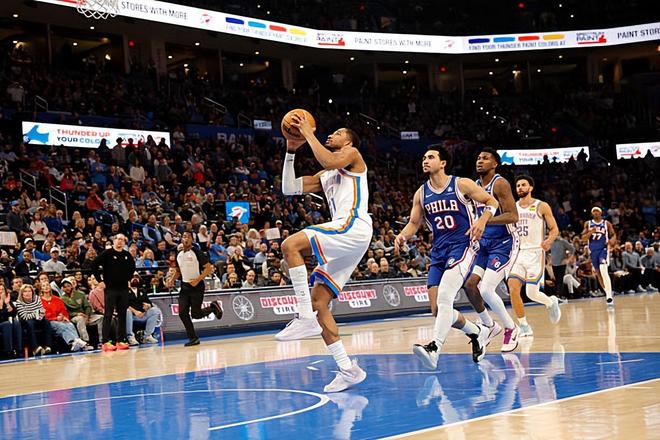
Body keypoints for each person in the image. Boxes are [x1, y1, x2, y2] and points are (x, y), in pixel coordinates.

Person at [276, 114, 372, 393]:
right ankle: (348, 369)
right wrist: (291, 151)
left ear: (349, 141)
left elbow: (330, 160)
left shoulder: (352, 155)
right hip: (348, 235)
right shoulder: (326, 175)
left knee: (290, 245)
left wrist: (307, 132)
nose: (332, 134)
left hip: (353, 224)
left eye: (339, 132)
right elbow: (288, 188)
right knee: (320, 302)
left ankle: (304, 317)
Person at [395, 145, 493, 369]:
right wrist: (402, 236)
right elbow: (414, 223)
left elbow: (492, 202)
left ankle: (434, 348)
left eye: (430, 157)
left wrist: (482, 220)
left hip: (463, 246)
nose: (425, 160)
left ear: (443, 163)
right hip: (439, 251)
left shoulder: (461, 184)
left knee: (446, 296)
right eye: (423, 157)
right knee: (438, 310)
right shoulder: (421, 193)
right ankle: (477, 332)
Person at [463, 148, 520, 352]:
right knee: (470, 285)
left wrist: (484, 221)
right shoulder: (474, 186)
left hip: (504, 243)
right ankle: (489, 325)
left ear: (495, 164)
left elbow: (513, 216)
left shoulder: (500, 183)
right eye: (478, 157)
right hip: (484, 243)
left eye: (485, 158)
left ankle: (511, 328)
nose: (480, 161)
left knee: (486, 289)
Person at [507, 176, 562, 337]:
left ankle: (551, 302)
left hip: (535, 252)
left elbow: (554, 229)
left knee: (531, 293)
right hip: (518, 253)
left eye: (523, 185)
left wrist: (549, 240)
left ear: (530, 188)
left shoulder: (541, 206)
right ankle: (524, 326)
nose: (520, 187)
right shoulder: (513, 207)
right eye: (518, 185)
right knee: (513, 288)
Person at [166, 231, 223, 347]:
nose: (186, 238)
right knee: (182, 313)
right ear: (181, 239)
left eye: (188, 237)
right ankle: (193, 338)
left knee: (196, 314)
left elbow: (208, 268)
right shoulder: (179, 254)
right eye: (184, 236)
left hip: (197, 287)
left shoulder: (197, 252)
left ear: (192, 240)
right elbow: (178, 271)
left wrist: (198, 279)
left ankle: (213, 307)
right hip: (185, 287)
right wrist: (172, 279)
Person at [91, 234, 134, 351]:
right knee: (108, 314)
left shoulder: (127, 255)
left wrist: (129, 279)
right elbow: (94, 265)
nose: (120, 241)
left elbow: (132, 267)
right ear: (114, 241)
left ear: (124, 243)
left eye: (122, 240)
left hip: (123, 289)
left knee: (122, 315)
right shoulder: (107, 253)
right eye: (118, 239)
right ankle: (105, 341)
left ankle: (121, 340)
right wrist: (100, 281)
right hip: (110, 289)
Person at [581, 207, 617, 306]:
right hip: (593, 251)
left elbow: (613, 235)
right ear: (592, 213)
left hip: (603, 250)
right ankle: (608, 293)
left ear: (601, 213)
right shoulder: (588, 224)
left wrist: (611, 242)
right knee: (598, 273)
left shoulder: (606, 223)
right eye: (594, 212)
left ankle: (609, 296)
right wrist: (590, 233)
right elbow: (583, 238)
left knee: (603, 269)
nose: (596, 213)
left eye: (597, 211)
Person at [40, 282, 87, 352]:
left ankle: (75, 342)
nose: (46, 287)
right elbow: (43, 315)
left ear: (50, 287)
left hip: (60, 320)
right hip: (49, 322)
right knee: (61, 326)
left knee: (70, 324)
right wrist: (56, 318)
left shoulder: (57, 299)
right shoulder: (39, 301)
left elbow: (64, 311)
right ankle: (75, 341)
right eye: (44, 286)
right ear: (41, 289)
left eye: (47, 285)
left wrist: (64, 317)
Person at [60, 277, 100, 350]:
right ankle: (85, 342)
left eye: (68, 286)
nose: (67, 288)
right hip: (73, 318)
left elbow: (87, 306)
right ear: (63, 288)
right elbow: (65, 312)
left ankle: (101, 341)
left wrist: (87, 316)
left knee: (101, 318)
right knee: (80, 319)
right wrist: (76, 314)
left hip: (86, 315)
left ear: (72, 286)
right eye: (65, 287)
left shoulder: (80, 294)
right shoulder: (62, 299)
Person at [15, 284, 52, 356]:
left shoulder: (37, 298)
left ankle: (47, 346)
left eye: (29, 291)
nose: (28, 293)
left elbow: (41, 311)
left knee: (46, 322)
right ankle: (35, 348)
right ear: (22, 293)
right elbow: (24, 316)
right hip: (26, 322)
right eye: (25, 291)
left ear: (32, 292)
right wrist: (36, 313)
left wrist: (39, 316)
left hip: (38, 319)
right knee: (30, 323)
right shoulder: (19, 302)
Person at [126, 273, 162, 345]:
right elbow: (124, 304)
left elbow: (149, 302)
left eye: (137, 277)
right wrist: (135, 312)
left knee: (155, 310)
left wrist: (148, 306)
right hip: (131, 315)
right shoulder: (124, 291)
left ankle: (147, 336)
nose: (135, 279)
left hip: (142, 314)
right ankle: (130, 337)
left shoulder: (142, 290)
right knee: (127, 311)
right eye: (133, 277)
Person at [0, 284, 21, 358]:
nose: (1, 291)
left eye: (2, 289)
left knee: (17, 324)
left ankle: (19, 350)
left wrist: (7, 304)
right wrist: (1, 305)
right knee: (7, 324)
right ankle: (8, 351)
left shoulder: (7, 300)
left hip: (7, 323)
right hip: (3, 323)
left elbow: (13, 313)